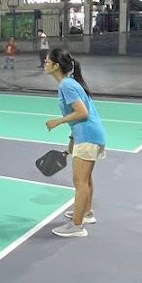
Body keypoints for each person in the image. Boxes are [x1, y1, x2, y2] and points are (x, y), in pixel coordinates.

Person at [43, 47, 107, 238]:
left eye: (47, 61)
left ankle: (77, 226)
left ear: (56, 66)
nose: (44, 64)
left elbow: (82, 113)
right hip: (89, 134)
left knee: (80, 182)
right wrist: (72, 139)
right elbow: (80, 115)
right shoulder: (70, 83)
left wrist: (57, 121)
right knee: (85, 180)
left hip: (88, 135)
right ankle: (86, 213)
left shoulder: (66, 85)